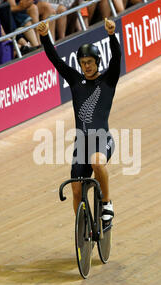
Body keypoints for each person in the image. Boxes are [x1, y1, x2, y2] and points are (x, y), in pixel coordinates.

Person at [37, 18, 121, 226]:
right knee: (76, 189)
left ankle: (107, 203)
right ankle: (83, 230)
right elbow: (56, 61)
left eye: (90, 62)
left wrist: (111, 36)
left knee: (97, 162)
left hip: (103, 139)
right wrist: (45, 36)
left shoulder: (108, 81)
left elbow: (117, 58)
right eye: (83, 63)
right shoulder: (75, 80)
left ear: (97, 61)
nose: (86, 67)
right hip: (81, 144)